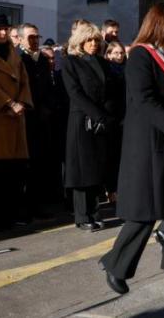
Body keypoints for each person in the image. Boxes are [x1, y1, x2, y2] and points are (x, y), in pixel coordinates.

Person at [99, 4, 164, 295]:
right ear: (160, 25)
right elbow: (144, 101)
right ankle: (116, 264)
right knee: (146, 209)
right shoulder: (141, 55)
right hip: (150, 142)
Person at [62, 22, 119, 231]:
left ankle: (95, 212)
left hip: (101, 122)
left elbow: (110, 91)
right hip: (81, 121)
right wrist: (98, 115)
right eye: (89, 40)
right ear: (80, 41)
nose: (94, 43)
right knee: (82, 171)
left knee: (97, 169)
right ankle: (82, 215)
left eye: (96, 40)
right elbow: (75, 93)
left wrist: (107, 116)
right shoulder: (70, 62)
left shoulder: (102, 63)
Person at [0, 13, 33, 230]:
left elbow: (24, 79)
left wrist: (23, 103)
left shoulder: (12, 52)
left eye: (5, 29)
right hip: (0, 117)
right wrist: (9, 103)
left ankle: (11, 214)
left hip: (16, 117)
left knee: (14, 171)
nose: (2, 33)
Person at [18, 23, 59, 217]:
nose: (34, 40)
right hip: (24, 116)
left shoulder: (42, 59)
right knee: (25, 165)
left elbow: (49, 86)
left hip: (43, 117)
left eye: (37, 37)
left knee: (41, 162)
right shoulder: (18, 58)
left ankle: (38, 204)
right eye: (30, 37)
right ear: (20, 39)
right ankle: (24, 207)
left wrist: (48, 107)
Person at [103, 41, 127, 203]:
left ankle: (120, 188)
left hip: (124, 115)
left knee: (121, 155)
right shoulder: (106, 70)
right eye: (116, 53)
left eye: (121, 53)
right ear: (109, 54)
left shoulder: (127, 69)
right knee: (111, 156)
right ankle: (111, 190)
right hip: (111, 115)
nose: (119, 56)